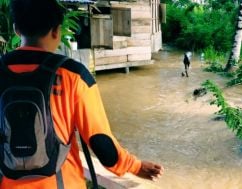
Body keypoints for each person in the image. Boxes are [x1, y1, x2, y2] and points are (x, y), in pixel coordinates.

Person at [0, 0, 163, 188]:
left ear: (16, 30)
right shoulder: (74, 75)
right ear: (56, 31)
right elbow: (101, 143)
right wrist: (135, 166)